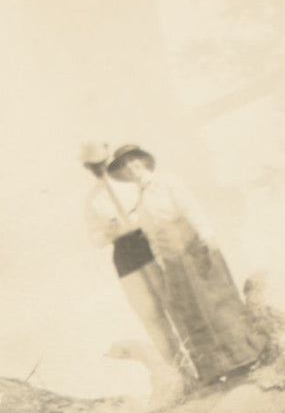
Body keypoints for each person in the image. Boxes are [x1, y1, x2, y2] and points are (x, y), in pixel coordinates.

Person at [101, 144, 263, 382]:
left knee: (214, 301)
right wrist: (162, 261)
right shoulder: (142, 199)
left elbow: (190, 208)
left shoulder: (166, 181)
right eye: (125, 167)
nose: (131, 169)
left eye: (134, 162)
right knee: (189, 309)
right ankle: (216, 368)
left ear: (144, 162)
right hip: (172, 258)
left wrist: (206, 235)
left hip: (191, 245)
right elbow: (152, 234)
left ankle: (244, 356)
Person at [81, 142, 191, 380]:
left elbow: (158, 210)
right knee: (150, 315)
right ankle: (181, 374)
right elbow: (94, 236)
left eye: (102, 163)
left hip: (151, 245)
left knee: (175, 305)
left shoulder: (133, 185)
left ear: (109, 159)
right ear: (88, 168)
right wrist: (109, 232)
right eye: (93, 167)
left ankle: (201, 362)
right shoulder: (93, 199)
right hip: (125, 257)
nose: (100, 169)